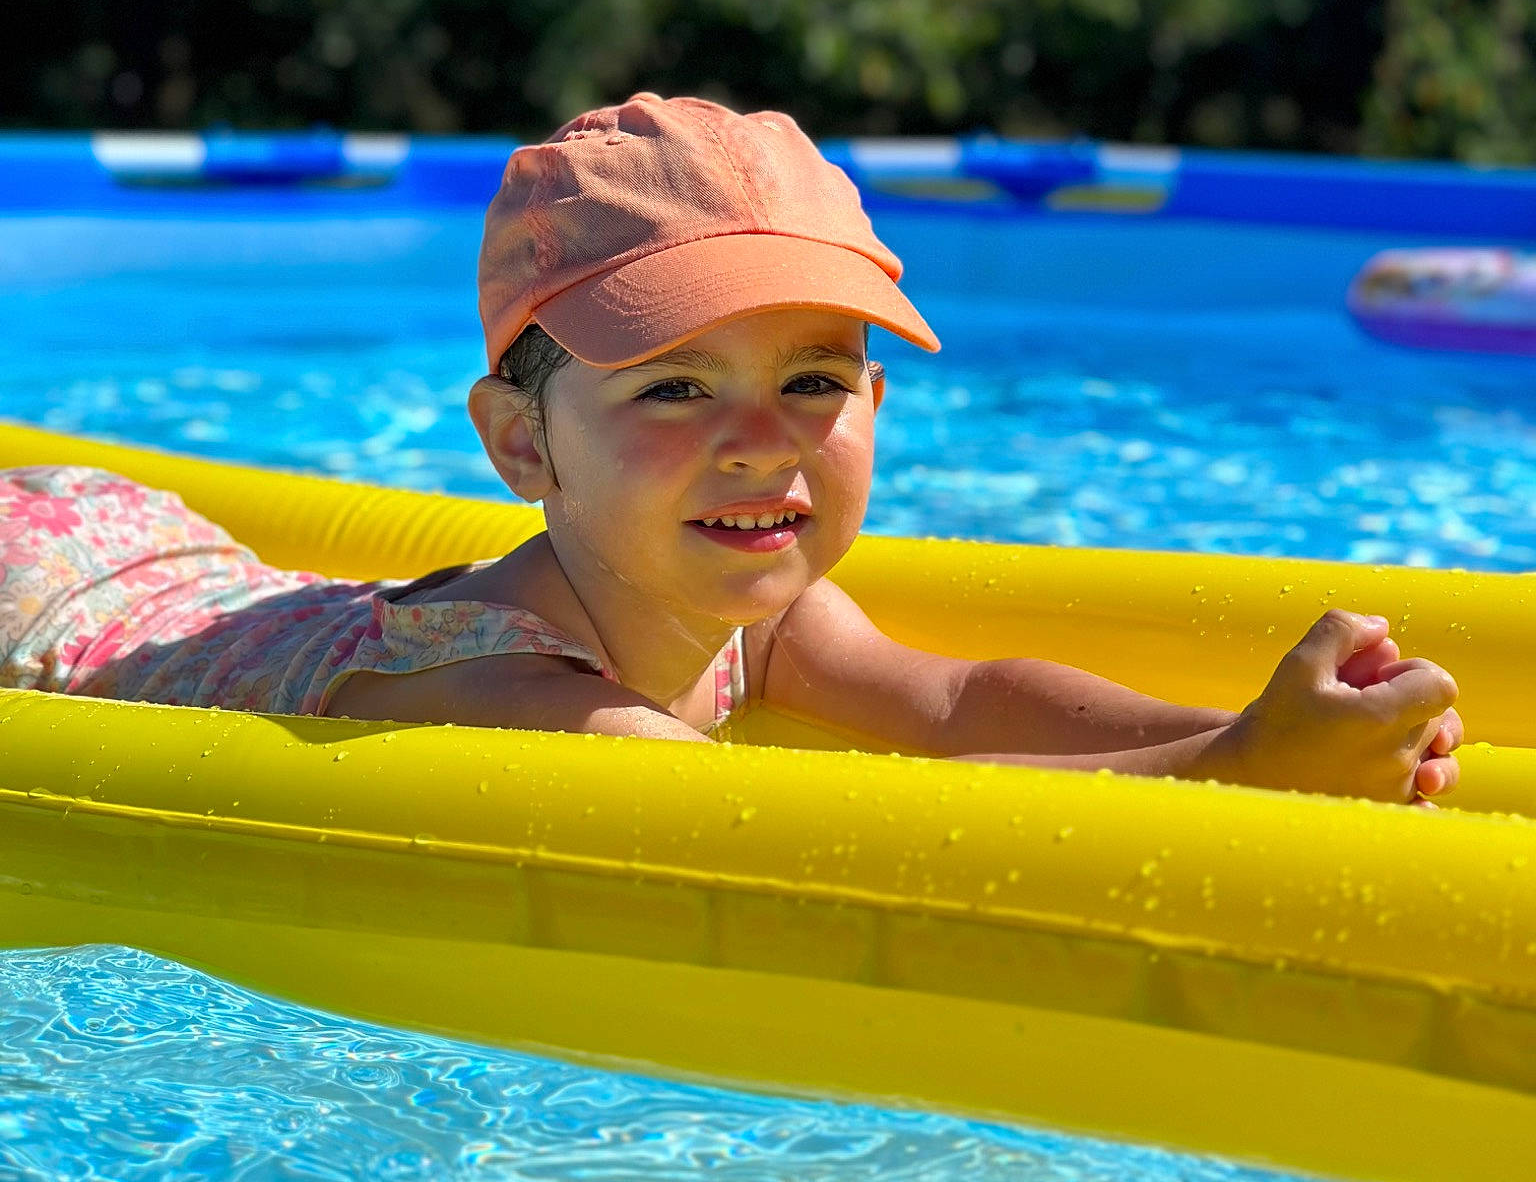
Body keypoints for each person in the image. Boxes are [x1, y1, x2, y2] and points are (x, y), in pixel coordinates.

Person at [0, 93, 1461, 804]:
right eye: (676, 389)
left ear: (876, 408)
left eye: (816, 377)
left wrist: (1238, 731)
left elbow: (958, 704)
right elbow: (828, 826)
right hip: (51, 595)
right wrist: (1243, 780)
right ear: (523, 441)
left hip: (170, 556)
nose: (764, 446)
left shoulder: (741, 598)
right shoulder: (520, 697)